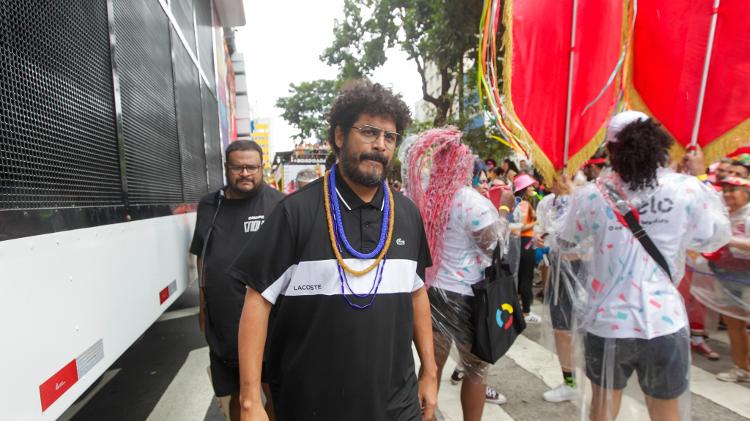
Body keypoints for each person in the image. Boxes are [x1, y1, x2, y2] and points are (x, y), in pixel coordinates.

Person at [230, 80, 438, 421]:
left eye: (390, 137)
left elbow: (416, 294)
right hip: (313, 405)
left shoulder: (408, 214)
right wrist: (251, 400)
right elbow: (257, 300)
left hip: (396, 406)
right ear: (339, 136)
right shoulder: (294, 213)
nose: (380, 145)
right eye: (369, 132)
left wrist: (428, 371)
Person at [556, 111, 730, 421]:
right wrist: (700, 177)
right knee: (665, 414)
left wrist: (566, 198)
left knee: (603, 409)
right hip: (663, 322)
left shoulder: (591, 197)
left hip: (608, 323)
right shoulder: (687, 190)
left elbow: (565, 241)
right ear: (658, 145)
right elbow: (713, 239)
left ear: (610, 150)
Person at [405, 133, 513, 420]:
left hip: (430, 293)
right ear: (462, 165)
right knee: (476, 370)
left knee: (431, 368)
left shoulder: (419, 195)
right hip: (468, 296)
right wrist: (504, 210)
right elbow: (495, 246)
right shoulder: (469, 201)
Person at [189, 140, 284, 421]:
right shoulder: (209, 204)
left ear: (262, 168)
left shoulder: (279, 205)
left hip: (268, 325)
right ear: (226, 168)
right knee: (235, 396)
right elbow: (203, 255)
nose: (245, 173)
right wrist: (203, 303)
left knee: (273, 395)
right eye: (237, 167)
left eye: (251, 167)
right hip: (223, 322)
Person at [691, 176, 750, 382]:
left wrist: (729, 240)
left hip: (746, 277)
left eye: (733, 190)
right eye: (724, 190)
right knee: (735, 325)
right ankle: (742, 368)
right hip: (724, 275)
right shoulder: (722, 214)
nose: (727, 195)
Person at [535, 173, 581, 403]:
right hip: (558, 273)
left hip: (586, 273)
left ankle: (596, 381)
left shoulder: (584, 200)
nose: (556, 180)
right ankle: (570, 382)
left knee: (588, 332)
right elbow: (540, 232)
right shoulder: (545, 203)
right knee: (562, 329)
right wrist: (541, 240)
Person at [511, 173, 541, 323]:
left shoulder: (517, 203)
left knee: (520, 276)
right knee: (526, 277)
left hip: (520, 243)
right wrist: (536, 222)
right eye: (529, 185)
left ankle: (519, 311)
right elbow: (520, 227)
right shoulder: (522, 205)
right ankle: (526, 312)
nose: (532, 188)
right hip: (525, 242)